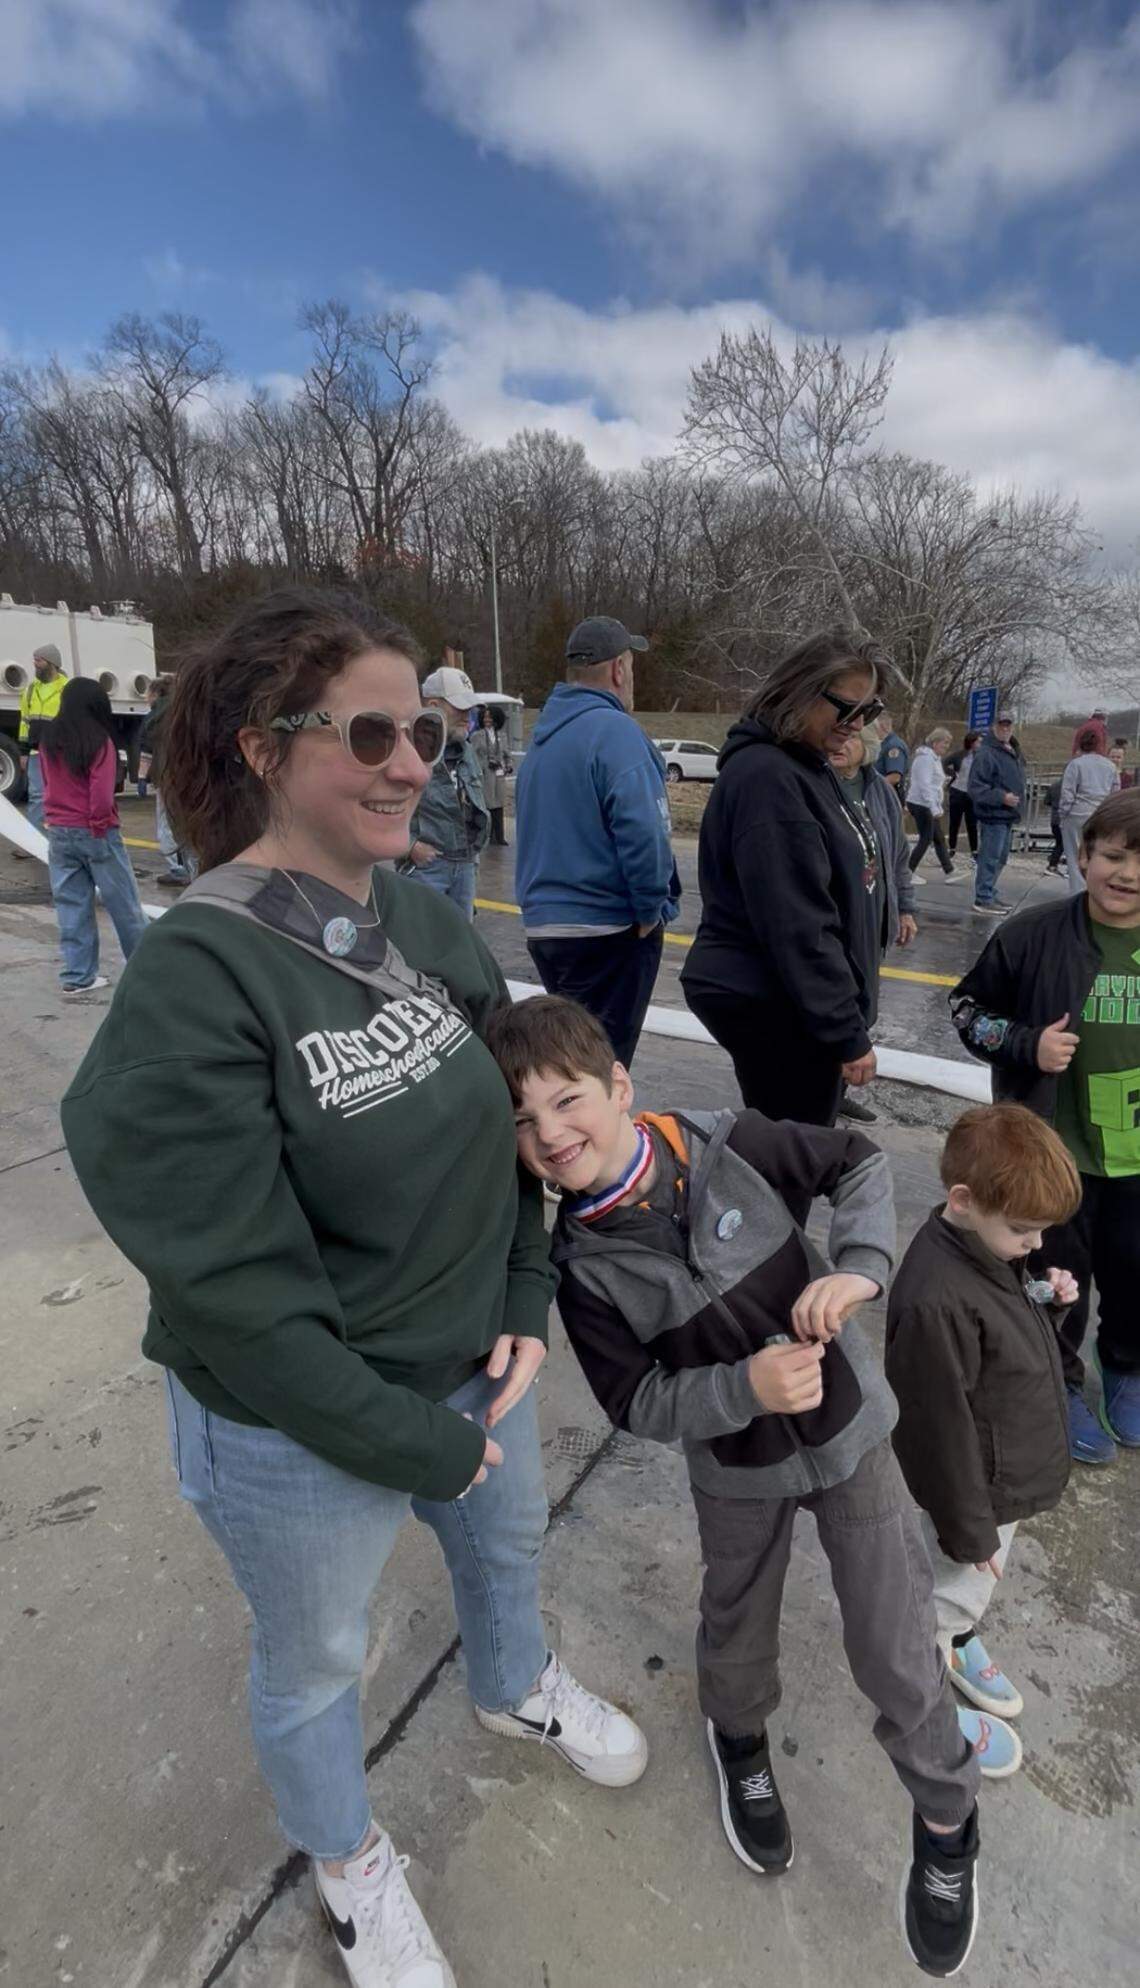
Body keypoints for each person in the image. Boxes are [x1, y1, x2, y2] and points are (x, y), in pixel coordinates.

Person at [60, 589, 646, 1988]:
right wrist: (419, 1446)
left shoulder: (424, 924)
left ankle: (513, 1690)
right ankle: (347, 1863)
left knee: (506, 1556)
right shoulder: (196, 980)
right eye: (372, 731)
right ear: (265, 748)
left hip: (471, 1377)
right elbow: (239, 1304)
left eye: (427, 733)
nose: (412, 763)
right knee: (318, 1662)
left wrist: (520, 1297)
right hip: (297, 1430)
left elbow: (514, 1136)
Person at [485, 994, 983, 1981]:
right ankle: (740, 1739)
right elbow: (635, 1399)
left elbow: (860, 1162)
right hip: (736, 1469)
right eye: (522, 1120)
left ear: (620, 1086)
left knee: (895, 1634)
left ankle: (948, 1817)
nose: (550, 1132)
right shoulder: (577, 1266)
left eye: (568, 1100)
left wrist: (860, 1269)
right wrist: (741, 1387)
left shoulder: (730, 1140)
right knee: (736, 1620)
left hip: (850, 1433)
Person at [886, 1105, 1080, 1780]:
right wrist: (969, 1535)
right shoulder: (934, 1301)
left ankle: (960, 1634)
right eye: (1024, 1231)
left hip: (997, 1480)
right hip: (970, 1501)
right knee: (936, 1603)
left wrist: (1044, 1299)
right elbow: (934, 1434)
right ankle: (930, 1702)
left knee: (964, 1595)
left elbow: (999, 1329)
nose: (1035, 1244)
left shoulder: (982, 1249)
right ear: (963, 1201)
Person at [949, 790, 1140, 1466]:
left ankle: (1125, 1367)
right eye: (1114, 856)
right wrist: (1027, 1044)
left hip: (1136, 1157)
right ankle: (1055, 1380)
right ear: (1083, 854)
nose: (1129, 875)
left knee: (1134, 1269)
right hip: (1055, 1152)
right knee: (1056, 1275)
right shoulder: (1033, 935)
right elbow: (967, 1009)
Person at [681, 629, 885, 1142]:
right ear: (799, 692)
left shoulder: (807, 768)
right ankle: (759, 1225)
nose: (855, 726)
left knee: (784, 1156)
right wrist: (845, 1030)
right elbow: (799, 922)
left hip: (794, 1002)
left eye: (868, 710)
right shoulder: (770, 778)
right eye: (845, 709)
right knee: (788, 1163)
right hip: (780, 1004)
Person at [514, 614, 680, 1067]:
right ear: (619, 670)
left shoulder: (543, 741)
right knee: (603, 1068)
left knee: (573, 1062)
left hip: (548, 928)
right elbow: (645, 830)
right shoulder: (615, 732)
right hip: (606, 929)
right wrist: (650, 908)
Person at [829, 727, 918, 1125]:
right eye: (835, 737)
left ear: (868, 748)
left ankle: (837, 1090)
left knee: (862, 1005)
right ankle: (821, 1094)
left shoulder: (879, 790)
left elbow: (898, 856)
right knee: (832, 1002)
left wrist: (905, 908)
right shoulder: (816, 784)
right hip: (835, 924)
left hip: (873, 920)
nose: (840, 745)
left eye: (850, 739)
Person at [38, 678, 147, 995]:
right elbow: (101, 795)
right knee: (124, 905)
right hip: (96, 831)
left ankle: (77, 976)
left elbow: (45, 783)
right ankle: (143, 972)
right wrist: (100, 826)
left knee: (71, 904)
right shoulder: (101, 741)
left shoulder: (48, 739)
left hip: (58, 831)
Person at [403, 661, 489, 921]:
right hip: (427, 867)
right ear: (433, 707)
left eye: (469, 706)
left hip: (465, 865)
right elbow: (376, 804)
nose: (468, 713)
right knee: (423, 946)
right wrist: (410, 847)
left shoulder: (467, 750)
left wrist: (473, 857)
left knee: (461, 947)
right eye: (459, 706)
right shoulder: (408, 751)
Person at [138, 675, 195, 887]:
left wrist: (142, 777)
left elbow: (146, 751)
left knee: (167, 824)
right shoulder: (187, 712)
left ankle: (177, 868)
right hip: (190, 777)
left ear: (156, 694)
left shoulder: (153, 718)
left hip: (167, 779)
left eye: (148, 693)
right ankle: (195, 868)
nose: (146, 698)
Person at [967, 710, 1025, 915]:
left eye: (1009, 725)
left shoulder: (1012, 750)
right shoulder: (986, 753)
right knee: (990, 858)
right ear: (994, 727)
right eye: (1002, 725)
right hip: (993, 815)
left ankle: (989, 892)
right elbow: (975, 788)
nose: (1006, 728)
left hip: (1008, 815)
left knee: (1000, 858)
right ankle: (982, 898)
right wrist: (1002, 797)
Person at [1057, 729, 1119, 894]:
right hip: (1100, 815)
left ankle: (1078, 893)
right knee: (1096, 855)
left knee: (1074, 856)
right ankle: (1095, 892)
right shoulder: (1110, 766)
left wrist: (1063, 816)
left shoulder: (1075, 764)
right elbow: (1115, 793)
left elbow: (1067, 794)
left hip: (1077, 814)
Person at [17, 640, 68, 836]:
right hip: (37, 753)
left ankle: (60, 838)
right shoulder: (30, 690)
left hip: (60, 752)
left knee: (61, 795)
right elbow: (24, 721)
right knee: (37, 795)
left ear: (52, 663)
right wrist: (23, 752)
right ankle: (33, 841)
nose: (35, 664)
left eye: (39, 660)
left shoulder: (68, 688)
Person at [906, 728, 960, 882]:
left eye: (948, 744)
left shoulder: (933, 758)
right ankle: (908, 872)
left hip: (926, 803)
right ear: (935, 743)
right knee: (926, 838)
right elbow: (924, 785)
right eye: (944, 743)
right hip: (921, 803)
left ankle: (949, 871)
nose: (947, 747)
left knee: (939, 838)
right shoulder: (926, 759)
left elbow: (933, 785)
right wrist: (934, 808)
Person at [471, 704, 509, 846]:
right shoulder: (476, 736)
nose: (487, 719)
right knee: (487, 805)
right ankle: (484, 836)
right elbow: (472, 755)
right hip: (484, 774)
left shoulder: (502, 736)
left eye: (490, 716)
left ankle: (499, 836)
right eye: (485, 716)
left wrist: (508, 766)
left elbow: (507, 754)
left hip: (498, 774)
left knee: (499, 805)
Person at [944, 732, 981, 859]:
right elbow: (944, 763)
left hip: (972, 793)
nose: (979, 744)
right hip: (957, 790)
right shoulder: (960, 755)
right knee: (954, 822)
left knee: (972, 823)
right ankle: (952, 848)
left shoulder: (980, 756)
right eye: (978, 742)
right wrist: (953, 773)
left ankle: (974, 850)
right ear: (971, 742)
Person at [876, 706, 910, 797]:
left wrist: (874, 789)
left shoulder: (893, 746)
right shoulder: (884, 744)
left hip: (888, 796)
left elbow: (894, 777)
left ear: (882, 726)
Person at [1043, 777, 1065, 874]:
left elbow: (1046, 801)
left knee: (1059, 843)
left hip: (1054, 819)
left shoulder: (1054, 785)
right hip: (1065, 819)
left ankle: (1052, 864)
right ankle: (1052, 865)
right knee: (1063, 844)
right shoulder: (1072, 787)